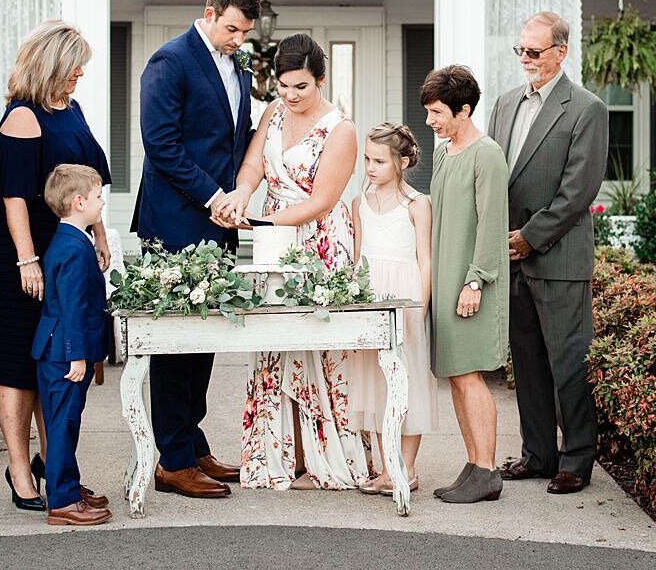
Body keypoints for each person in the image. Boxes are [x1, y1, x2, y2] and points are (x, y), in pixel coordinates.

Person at [218, 32, 367, 491]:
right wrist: (242, 196)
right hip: (272, 239)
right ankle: (278, 455)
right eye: (283, 85)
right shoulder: (274, 113)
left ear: (320, 79)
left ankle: (325, 457)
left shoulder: (341, 130)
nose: (290, 95)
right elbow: (252, 166)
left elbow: (322, 202)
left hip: (316, 243)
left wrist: (263, 220)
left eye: (300, 86)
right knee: (274, 345)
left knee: (319, 347)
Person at [131, 0, 260, 499]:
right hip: (177, 221)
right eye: (232, 29)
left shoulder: (237, 68)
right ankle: (172, 460)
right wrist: (214, 198)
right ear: (210, 13)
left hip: (219, 222)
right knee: (174, 342)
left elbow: (233, 141)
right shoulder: (170, 60)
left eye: (245, 33)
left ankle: (193, 441)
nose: (239, 40)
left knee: (204, 339)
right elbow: (161, 145)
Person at [0, 20, 112, 512]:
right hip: (20, 258)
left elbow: (90, 178)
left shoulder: (70, 110)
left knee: (55, 365)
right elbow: (13, 199)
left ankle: (58, 473)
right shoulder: (22, 118)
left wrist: (98, 234)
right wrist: (26, 260)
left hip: (64, 253)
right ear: (49, 62)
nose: (79, 73)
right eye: (73, 64)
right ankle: (19, 470)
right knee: (17, 364)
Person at [486, 11, 608, 495]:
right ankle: (538, 454)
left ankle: (576, 459)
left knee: (568, 363)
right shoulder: (504, 103)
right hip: (510, 257)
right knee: (527, 362)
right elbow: (496, 173)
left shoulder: (587, 109)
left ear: (561, 52)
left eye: (534, 51)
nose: (525, 60)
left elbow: (578, 191)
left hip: (557, 258)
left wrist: (530, 237)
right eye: (521, 50)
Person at [421, 65, 509, 504]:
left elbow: (493, 226)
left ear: (464, 110)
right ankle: (474, 464)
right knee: (456, 376)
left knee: (471, 377)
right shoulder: (444, 152)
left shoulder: (487, 155)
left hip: (472, 283)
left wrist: (475, 281)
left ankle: (488, 470)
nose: (430, 121)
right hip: (447, 278)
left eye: (437, 113)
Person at [350, 123, 438, 496]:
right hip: (371, 297)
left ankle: (407, 467)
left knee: (409, 383)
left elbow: (425, 260)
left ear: (401, 162)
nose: (370, 167)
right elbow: (357, 257)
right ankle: (386, 468)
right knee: (373, 384)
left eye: (379, 161)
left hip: (404, 300)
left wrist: (418, 307)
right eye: (367, 159)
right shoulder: (359, 203)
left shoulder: (417, 204)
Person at [33, 164, 113, 526]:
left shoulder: (73, 241)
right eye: (98, 197)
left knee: (67, 422)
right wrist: (77, 356)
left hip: (57, 349)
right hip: (63, 353)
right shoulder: (72, 250)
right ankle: (62, 500)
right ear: (79, 202)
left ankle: (68, 484)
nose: (102, 203)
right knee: (63, 423)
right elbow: (72, 308)